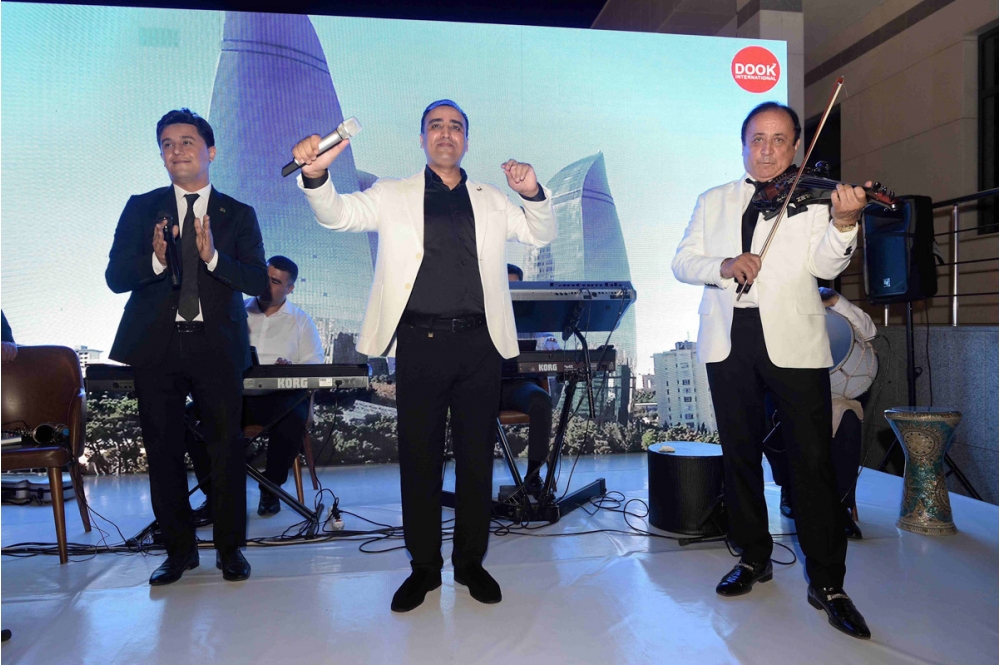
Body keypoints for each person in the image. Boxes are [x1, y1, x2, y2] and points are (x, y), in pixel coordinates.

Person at [291, 100, 556, 612]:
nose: (446, 133)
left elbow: (540, 232)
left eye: (456, 126)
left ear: (466, 140)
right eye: (436, 125)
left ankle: (471, 563)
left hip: (481, 345)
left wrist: (532, 193)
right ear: (422, 139)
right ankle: (424, 569)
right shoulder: (392, 193)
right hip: (419, 343)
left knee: (476, 461)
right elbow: (338, 216)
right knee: (419, 460)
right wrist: (317, 177)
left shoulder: (492, 198)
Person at [671, 101, 872, 639]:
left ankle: (828, 583)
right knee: (739, 455)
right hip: (728, 339)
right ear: (743, 145)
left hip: (794, 340)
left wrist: (845, 222)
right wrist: (724, 265)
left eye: (779, 140)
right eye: (757, 139)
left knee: (812, 461)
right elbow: (682, 261)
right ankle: (753, 557)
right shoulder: (713, 199)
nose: (766, 150)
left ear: (796, 147)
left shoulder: (812, 200)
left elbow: (825, 266)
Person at [106, 108, 267, 585]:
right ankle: (178, 553)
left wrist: (213, 257)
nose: (176, 150)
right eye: (167, 144)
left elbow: (258, 281)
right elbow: (115, 276)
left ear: (210, 151)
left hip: (217, 347)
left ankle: (230, 550)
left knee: (226, 451)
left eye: (187, 141)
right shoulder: (142, 208)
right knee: (163, 451)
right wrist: (155, 261)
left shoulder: (238, 213)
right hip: (156, 348)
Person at [186, 255, 324, 523]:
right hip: (232, 395)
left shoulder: (302, 321)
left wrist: (291, 369)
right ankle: (216, 496)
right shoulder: (234, 311)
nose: (266, 285)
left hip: (279, 399)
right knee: (189, 419)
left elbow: (314, 366)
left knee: (293, 417)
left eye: (275, 282)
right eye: (265, 277)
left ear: (290, 288)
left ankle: (270, 488)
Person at [764, 288, 878, 539]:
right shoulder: (776, 306)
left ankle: (841, 505)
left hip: (833, 390)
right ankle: (789, 489)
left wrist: (837, 301)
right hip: (788, 386)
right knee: (774, 413)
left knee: (848, 418)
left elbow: (870, 332)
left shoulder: (831, 304)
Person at [504, 264, 557, 498]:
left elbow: (546, 338)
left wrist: (551, 344)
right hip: (484, 383)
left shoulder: (531, 314)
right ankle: (473, 481)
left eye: (514, 287)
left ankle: (533, 477)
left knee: (540, 400)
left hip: (519, 385)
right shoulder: (480, 310)